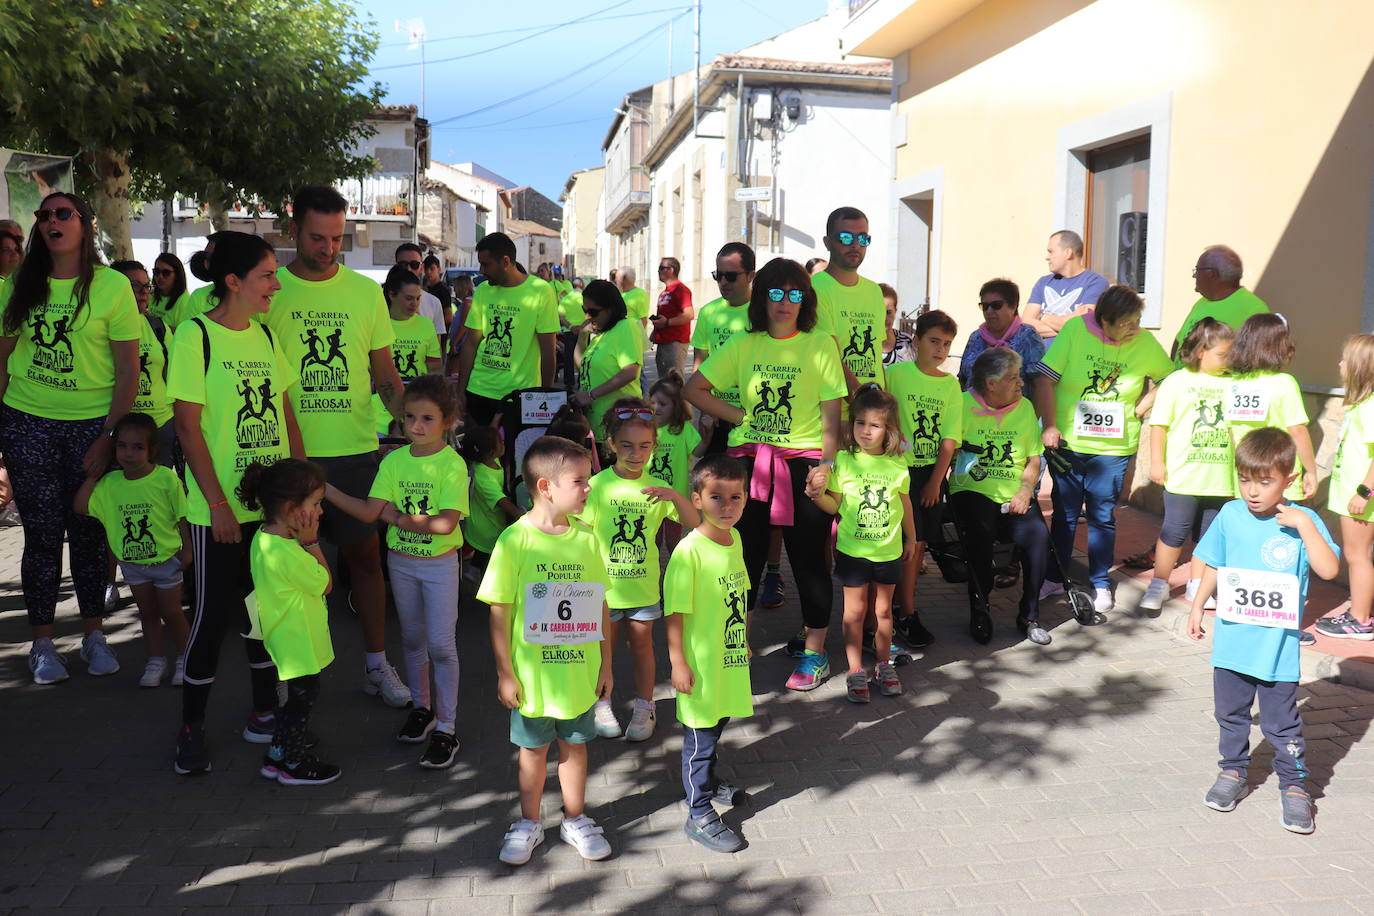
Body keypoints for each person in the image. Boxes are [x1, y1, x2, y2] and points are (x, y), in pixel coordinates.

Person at [265, 185, 410, 709]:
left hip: (353, 450)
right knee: (286, 571)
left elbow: (386, 376)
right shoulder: (269, 289)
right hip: (286, 454)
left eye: (336, 238)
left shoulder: (365, 292)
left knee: (365, 559)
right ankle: (285, 675)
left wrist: (417, 425)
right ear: (292, 229)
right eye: (316, 237)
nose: (327, 248)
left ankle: (376, 664)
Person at [167, 231, 303, 775]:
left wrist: (298, 493)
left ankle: (264, 712)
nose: (275, 283)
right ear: (233, 281)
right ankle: (190, 727)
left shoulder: (267, 339)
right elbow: (186, 426)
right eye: (267, 274)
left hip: (267, 510)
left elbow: (286, 416)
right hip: (216, 511)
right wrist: (218, 504)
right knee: (210, 617)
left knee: (262, 611)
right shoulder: (194, 336)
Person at [0, 192, 141, 685]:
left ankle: (93, 636)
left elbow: (128, 372)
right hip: (27, 423)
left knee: (88, 532)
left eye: (63, 214)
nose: (52, 221)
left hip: (90, 427)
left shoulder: (112, 287)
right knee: (40, 537)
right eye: (44, 215)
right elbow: (1, 362)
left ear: (87, 223)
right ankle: (42, 645)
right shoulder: (18, 284)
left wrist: (109, 436)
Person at [686, 258, 845, 691]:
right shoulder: (743, 343)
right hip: (751, 466)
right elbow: (694, 389)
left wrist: (826, 466)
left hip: (805, 466)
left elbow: (833, 414)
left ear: (805, 301)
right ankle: (737, 646)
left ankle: (815, 654)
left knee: (810, 562)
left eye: (795, 294)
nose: (785, 302)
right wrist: (740, 416)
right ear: (762, 298)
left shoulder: (819, 344)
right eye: (776, 293)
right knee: (745, 560)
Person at [1186, 427, 1338, 834]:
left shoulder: (1303, 521)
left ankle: (1295, 787)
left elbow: (1329, 569)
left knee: (1281, 725)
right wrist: (1198, 605)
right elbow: (1213, 562)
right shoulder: (1231, 515)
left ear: (1288, 480)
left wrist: (1305, 525)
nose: (1253, 491)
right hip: (1232, 644)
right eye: (1246, 480)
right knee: (1230, 715)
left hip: (1277, 651)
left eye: (1265, 482)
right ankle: (1233, 772)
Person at [480, 436, 614, 867]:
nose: (589, 488)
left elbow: (600, 605)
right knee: (533, 751)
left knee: (575, 746)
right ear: (546, 487)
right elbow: (498, 613)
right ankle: (528, 822)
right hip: (533, 676)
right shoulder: (514, 541)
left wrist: (607, 664)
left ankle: (575, 819)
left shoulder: (589, 539)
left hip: (579, 672)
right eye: (580, 480)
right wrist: (505, 672)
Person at [325, 374, 469, 769]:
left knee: (441, 645)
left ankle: (448, 727)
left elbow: (446, 524)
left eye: (427, 419)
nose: (416, 426)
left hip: (439, 566)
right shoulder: (393, 461)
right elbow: (373, 512)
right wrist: (327, 490)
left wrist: (402, 519)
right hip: (401, 564)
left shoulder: (452, 465)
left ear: (448, 421)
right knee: (411, 640)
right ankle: (422, 710)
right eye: (409, 418)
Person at [1032, 286, 1173, 613]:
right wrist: (1050, 425)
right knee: (1065, 515)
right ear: (1104, 321)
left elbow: (1170, 378)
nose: (1134, 329)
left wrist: (1141, 408)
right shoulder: (1076, 330)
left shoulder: (1144, 342)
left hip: (1113, 447)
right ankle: (1055, 577)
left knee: (1101, 516)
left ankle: (1099, 582)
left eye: (1137, 321)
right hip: (1069, 442)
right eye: (1126, 323)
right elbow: (1045, 378)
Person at [579, 397, 699, 742]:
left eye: (644, 446)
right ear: (611, 444)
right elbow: (582, 534)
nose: (636, 453)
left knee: (643, 647)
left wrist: (675, 497)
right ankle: (601, 703)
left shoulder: (659, 486)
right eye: (628, 445)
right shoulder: (597, 485)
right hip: (604, 591)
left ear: (654, 446)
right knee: (604, 651)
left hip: (644, 588)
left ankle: (645, 706)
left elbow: (694, 522)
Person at [665, 454, 753, 853]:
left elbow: (741, 596)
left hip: (728, 658)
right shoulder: (689, 552)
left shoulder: (735, 540)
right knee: (698, 741)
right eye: (716, 497)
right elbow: (676, 613)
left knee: (717, 725)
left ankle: (711, 785)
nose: (727, 506)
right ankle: (698, 812)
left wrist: (744, 639)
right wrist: (678, 663)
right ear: (696, 499)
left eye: (735, 497)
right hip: (699, 665)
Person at [808, 385, 915, 702]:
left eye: (875, 425)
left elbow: (905, 504)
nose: (866, 431)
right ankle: (855, 671)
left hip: (889, 552)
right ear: (851, 424)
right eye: (860, 423)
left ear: (889, 429)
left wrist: (912, 537)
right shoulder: (843, 460)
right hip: (853, 552)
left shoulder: (897, 464)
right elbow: (835, 506)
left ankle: (883, 665)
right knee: (854, 613)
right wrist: (818, 497)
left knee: (884, 612)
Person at [240, 458, 341, 786]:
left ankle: (278, 753)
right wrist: (312, 543)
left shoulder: (264, 539)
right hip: (297, 640)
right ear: (289, 507)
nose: (320, 512)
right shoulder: (290, 552)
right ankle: (295, 764)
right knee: (302, 699)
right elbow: (325, 582)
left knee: (295, 699)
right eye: (315, 504)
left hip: (284, 636)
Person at [75, 411, 191, 687]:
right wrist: (92, 478)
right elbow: (80, 506)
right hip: (133, 566)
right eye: (122, 446)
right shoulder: (109, 485)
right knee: (148, 615)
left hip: (166, 562)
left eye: (137, 447)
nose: (128, 453)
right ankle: (155, 661)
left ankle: (186, 659)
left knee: (173, 613)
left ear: (152, 450)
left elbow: (183, 516)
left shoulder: (165, 479)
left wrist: (188, 550)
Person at [949, 347, 1052, 645]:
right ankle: (980, 608)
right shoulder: (962, 404)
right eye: (1013, 378)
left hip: (1014, 492)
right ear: (991, 384)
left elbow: (1034, 460)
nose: (1021, 383)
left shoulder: (1026, 408)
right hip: (972, 488)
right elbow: (950, 451)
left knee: (1037, 538)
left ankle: (1029, 615)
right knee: (980, 534)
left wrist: (1024, 490)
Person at [1138, 319, 1238, 613]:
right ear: (1200, 352)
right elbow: (1159, 426)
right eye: (1222, 354)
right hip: (1184, 475)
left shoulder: (1233, 383)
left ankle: (1198, 585)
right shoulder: (1177, 382)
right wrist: (1157, 463)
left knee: (1209, 536)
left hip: (1221, 477)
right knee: (1174, 531)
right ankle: (1159, 583)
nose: (1228, 360)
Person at [886, 310, 961, 648]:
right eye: (934, 341)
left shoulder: (950, 385)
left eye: (946, 344)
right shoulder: (896, 375)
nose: (940, 349)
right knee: (892, 541)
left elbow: (949, 438)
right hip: (894, 473)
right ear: (916, 342)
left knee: (917, 546)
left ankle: (908, 610)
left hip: (928, 474)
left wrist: (935, 480)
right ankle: (884, 610)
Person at [455, 233, 558, 426]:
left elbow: (548, 349)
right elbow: (470, 344)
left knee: (516, 455)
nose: (481, 270)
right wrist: (461, 392)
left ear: (505, 261)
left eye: (486, 264)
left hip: (520, 396)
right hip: (479, 390)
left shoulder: (541, 290)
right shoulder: (484, 290)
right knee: (478, 454)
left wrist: (546, 395)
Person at [1314, 335, 1374, 639]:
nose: (1340, 364)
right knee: (1356, 554)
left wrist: (1364, 492)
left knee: (1358, 555)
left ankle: (1360, 620)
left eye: (1345, 359)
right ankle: (1359, 612)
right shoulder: (1362, 404)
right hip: (1352, 494)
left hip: (1362, 498)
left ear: (1361, 368)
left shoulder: (1371, 408)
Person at [1224, 314, 1318, 503]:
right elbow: (1297, 430)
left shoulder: (1233, 384)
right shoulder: (1284, 383)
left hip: (1245, 479)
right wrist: (1311, 471)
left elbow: (1231, 432)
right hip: (1280, 478)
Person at [691, 243, 756, 455]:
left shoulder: (764, 312)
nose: (723, 282)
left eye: (731, 276)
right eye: (718, 275)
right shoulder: (709, 312)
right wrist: (706, 409)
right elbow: (700, 364)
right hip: (716, 414)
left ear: (750, 275)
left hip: (753, 414)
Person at [813, 207, 885, 395]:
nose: (855, 245)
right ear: (827, 243)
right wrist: (858, 396)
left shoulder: (874, 291)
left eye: (862, 238)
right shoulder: (814, 288)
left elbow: (876, 356)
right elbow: (829, 353)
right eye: (845, 237)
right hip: (838, 409)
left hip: (872, 408)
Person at [112, 260, 177, 465]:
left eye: (146, 285)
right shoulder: (100, 327)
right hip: (120, 431)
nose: (143, 292)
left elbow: (173, 376)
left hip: (161, 427)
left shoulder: (158, 326)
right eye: (134, 285)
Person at [571, 280, 643, 442]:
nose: (587, 317)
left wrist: (590, 395)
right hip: (598, 427)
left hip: (620, 427)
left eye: (593, 312)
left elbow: (630, 372)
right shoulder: (601, 335)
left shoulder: (626, 327)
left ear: (610, 309)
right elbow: (581, 367)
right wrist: (582, 336)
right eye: (585, 311)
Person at [1172, 246, 1269, 366]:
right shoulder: (1202, 302)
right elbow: (1179, 340)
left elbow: (1256, 360)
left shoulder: (1254, 309)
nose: (1194, 276)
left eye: (1197, 270)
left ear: (1212, 274)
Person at [374, 266, 442, 435]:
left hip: (417, 415)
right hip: (378, 416)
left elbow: (435, 370)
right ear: (392, 295)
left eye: (418, 298)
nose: (414, 304)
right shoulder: (376, 324)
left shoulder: (426, 326)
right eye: (409, 298)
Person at [459, 425, 521, 580]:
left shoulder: (491, 460)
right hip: (487, 526)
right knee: (490, 555)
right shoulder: (483, 476)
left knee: (483, 551)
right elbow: (500, 500)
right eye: (500, 441)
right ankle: (485, 583)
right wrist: (518, 513)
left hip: (489, 519)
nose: (503, 443)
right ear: (492, 452)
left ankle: (472, 570)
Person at [958, 278, 1044, 390]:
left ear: (1013, 306)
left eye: (996, 305)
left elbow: (1040, 383)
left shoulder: (1028, 336)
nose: (989, 311)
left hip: (1016, 407)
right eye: (985, 306)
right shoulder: (976, 337)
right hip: (973, 406)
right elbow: (963, 379)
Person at [1022, 230, 1109, 340]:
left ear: (1068, 253)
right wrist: (1067, 327)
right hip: (1040, 356)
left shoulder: (1095, 282)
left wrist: (1043, 317)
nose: (1047, 257)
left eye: (1051, 251)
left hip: (1073, 356)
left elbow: (1083, 325)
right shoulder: (1043, 282)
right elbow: (1025, 323)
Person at [649, 369, 705, 502]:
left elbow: (698, 451)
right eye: (652, 402)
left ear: (676, 406)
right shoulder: (643, 428)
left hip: (675, 499)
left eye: (662, 404)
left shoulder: (682, 428)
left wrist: (707, 435)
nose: (656, 408)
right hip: (647, 497)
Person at [651, 257, 694, 383]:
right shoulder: (664, 292)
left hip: (675, 343)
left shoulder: (681, 289)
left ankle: (681, 404)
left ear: (671, 270)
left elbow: (689, 314)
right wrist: (655, 332)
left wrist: (667, 322)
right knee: (664, 384)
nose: (658, 271)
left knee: (675, 384)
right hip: (663, 343)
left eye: (661, 268)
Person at [395, 243, 446, 346]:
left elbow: (436, 347)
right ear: (396, 266)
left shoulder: (434, 303)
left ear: (421, 268)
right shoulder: (380, 299)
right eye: (403, 265)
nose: (408, 269)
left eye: (414, 265)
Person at [148, 252, 188, 326]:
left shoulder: (184, 301)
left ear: (177, 275)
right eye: (156, 272)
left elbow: (183, 331)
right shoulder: (152, 295)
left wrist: (156, 325)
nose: (160, 276)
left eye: (166, 272)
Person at [879, 283, 912, 367]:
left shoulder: (906, 341)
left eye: (888, 312)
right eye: (879, 312)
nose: (884, 318)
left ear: (895, 311)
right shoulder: (861, 344)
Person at [423, 254, 452, 326]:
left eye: (432, 269)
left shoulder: (443, 290)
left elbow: (448, 317)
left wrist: (434, 327)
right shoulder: (427, 289)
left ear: (439, 269)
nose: (428, 272)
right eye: (426, 269)